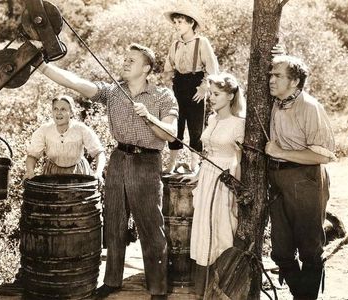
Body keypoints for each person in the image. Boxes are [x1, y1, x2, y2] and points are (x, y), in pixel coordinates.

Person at [35, 43, 178, 300]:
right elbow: (77, 83)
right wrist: (42, 66)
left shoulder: (163, 96)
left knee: (150, 225)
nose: (125, 62)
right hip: (118, 158)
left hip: (147, 162)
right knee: (113, 222)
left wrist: (148, 116)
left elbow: (170, 134)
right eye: (125, 58)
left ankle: (157, 287)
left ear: (146, 68)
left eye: (131, 60)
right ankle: (112, 280)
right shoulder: (112, 92)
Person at [265, 55, 335, 300]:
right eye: (271, 75)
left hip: (306, 179)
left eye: (277, 76)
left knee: (309, 249)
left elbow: (323, 156)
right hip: (277, 179)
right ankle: (302, 296)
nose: (271, 80)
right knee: (281, 251)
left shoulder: (310, 107)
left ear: (294, 82)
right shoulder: (275, 102)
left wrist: (281, 152)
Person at [181, 72, 246, 299]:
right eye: (210, 94)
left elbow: (239, 158)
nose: (211, 98)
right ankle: (203, 289)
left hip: (225, 179)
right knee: (204, 228)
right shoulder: (212, 119)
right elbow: (207, 152)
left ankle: (223, 285)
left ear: (230, 96)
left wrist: (233, 186)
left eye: (216, 94)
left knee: (221, 228)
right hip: (208, 176)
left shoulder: (239, 124)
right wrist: (199, 174)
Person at [163, 5, 219, 174]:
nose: (177, 25)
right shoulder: (175, 44)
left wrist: (204, 87)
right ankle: (172, 163)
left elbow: (213, 69)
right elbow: (168, 68)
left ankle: (195, 164)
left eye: (180, 21)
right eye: (175, 22)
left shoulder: (201, 42)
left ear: (190, 23)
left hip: (196, 85)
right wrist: (169, 86)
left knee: (196, 126)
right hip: (179, 85)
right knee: (176, 124)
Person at [24, 95, 106, 181]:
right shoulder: (44, 130)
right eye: (55, 109)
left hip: (78, 173)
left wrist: (98, 172)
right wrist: (30, 171)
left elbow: (99, 152)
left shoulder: (81, 129)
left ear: (71, 112)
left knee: (78, 194)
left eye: (63, 109)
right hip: (53, 174)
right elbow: (32, 156)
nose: (58, 113)